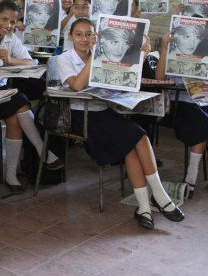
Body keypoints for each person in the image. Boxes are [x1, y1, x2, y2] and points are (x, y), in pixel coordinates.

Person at [58, 18, 184, 229]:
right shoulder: (64, 59)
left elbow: (126, 76)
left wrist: (141, 53)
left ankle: (144, 207)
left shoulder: (105, 55)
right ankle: (159, 197)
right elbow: (77, 86)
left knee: (133, 146)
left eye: (89, 34)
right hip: (83, 116)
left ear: (96, 36)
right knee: (139, 137)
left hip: (105, 112)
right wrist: (96, 56)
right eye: (79, 34)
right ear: (70, 37)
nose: (85, 39)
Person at [0, 0, 62, 193]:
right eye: (3, 20)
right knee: (20, 101)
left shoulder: (11, 39)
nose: (8, 25)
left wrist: (9, 59)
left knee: (15, 117)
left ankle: (11, 175)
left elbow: (29, 63)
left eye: (12, 21)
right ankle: (43, 151)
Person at [155, 24, 208, 199]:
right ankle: (192, 179)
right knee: (204, 127)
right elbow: (159, 78)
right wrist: (165, 48)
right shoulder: (173, 51)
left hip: (205, 104)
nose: (191, 42)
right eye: (186, 36)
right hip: (182, 104)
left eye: (196, 37)